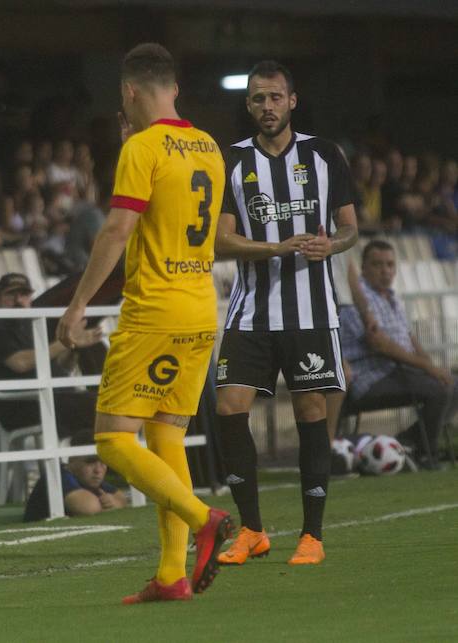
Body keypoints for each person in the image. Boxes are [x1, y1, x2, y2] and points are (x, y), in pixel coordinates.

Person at [56, 43, 231, 603]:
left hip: (155, 308)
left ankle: (203, 518)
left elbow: (116, 230)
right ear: (173, 88)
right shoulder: (207, 145)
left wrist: (77, 304)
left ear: (130, 93)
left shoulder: (141, 146)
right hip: (201, 306)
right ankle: (170, 574)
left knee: (111, 438)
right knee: (165, 434)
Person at [213, 60, 358, 567]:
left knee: (310, 412)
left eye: (275, 97)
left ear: (292, 101)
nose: (267, 107)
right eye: (258, 99)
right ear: (248, 104)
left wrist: (331, 246)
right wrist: (274, 249)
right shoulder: (231, 161)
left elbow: (349, 229)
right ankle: (251, 529)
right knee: (229, 405)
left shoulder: (324, 155)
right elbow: (220, 240)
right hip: (250, 310)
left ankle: (312, 536)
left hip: (311, 310)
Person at [340, 240, 457, 469]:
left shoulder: (391, 298)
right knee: (440, 389)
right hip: (369, 378)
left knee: (452, 384)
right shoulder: (359, 300)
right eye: (377, 264)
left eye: (390, 265)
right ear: (363, 268)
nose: (385, 270)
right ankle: (425, 454)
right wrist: (427, 368)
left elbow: (409, 337)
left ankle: (407, 442)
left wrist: (431, 365)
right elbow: (380, 345)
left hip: (398, 373)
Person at [0, 272, 102, 438]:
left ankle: (90, 461)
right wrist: (66, 341)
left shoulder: (32, 326)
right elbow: (20, 363)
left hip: (52, 399)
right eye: (11, 294)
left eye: (24, 294)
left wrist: (73, 348)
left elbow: (58, 366)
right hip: (24, 406)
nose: (18, 300)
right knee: (99, 407)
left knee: (109, 405)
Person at [23, 431, 128, 522]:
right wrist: (108, 504)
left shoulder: (88, 478)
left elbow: (121, 498)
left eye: (103, 462)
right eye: (90, 462)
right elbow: (90, 507)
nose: (98, 470)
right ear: (72, 460)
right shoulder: (59, 476)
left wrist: (112, 502)